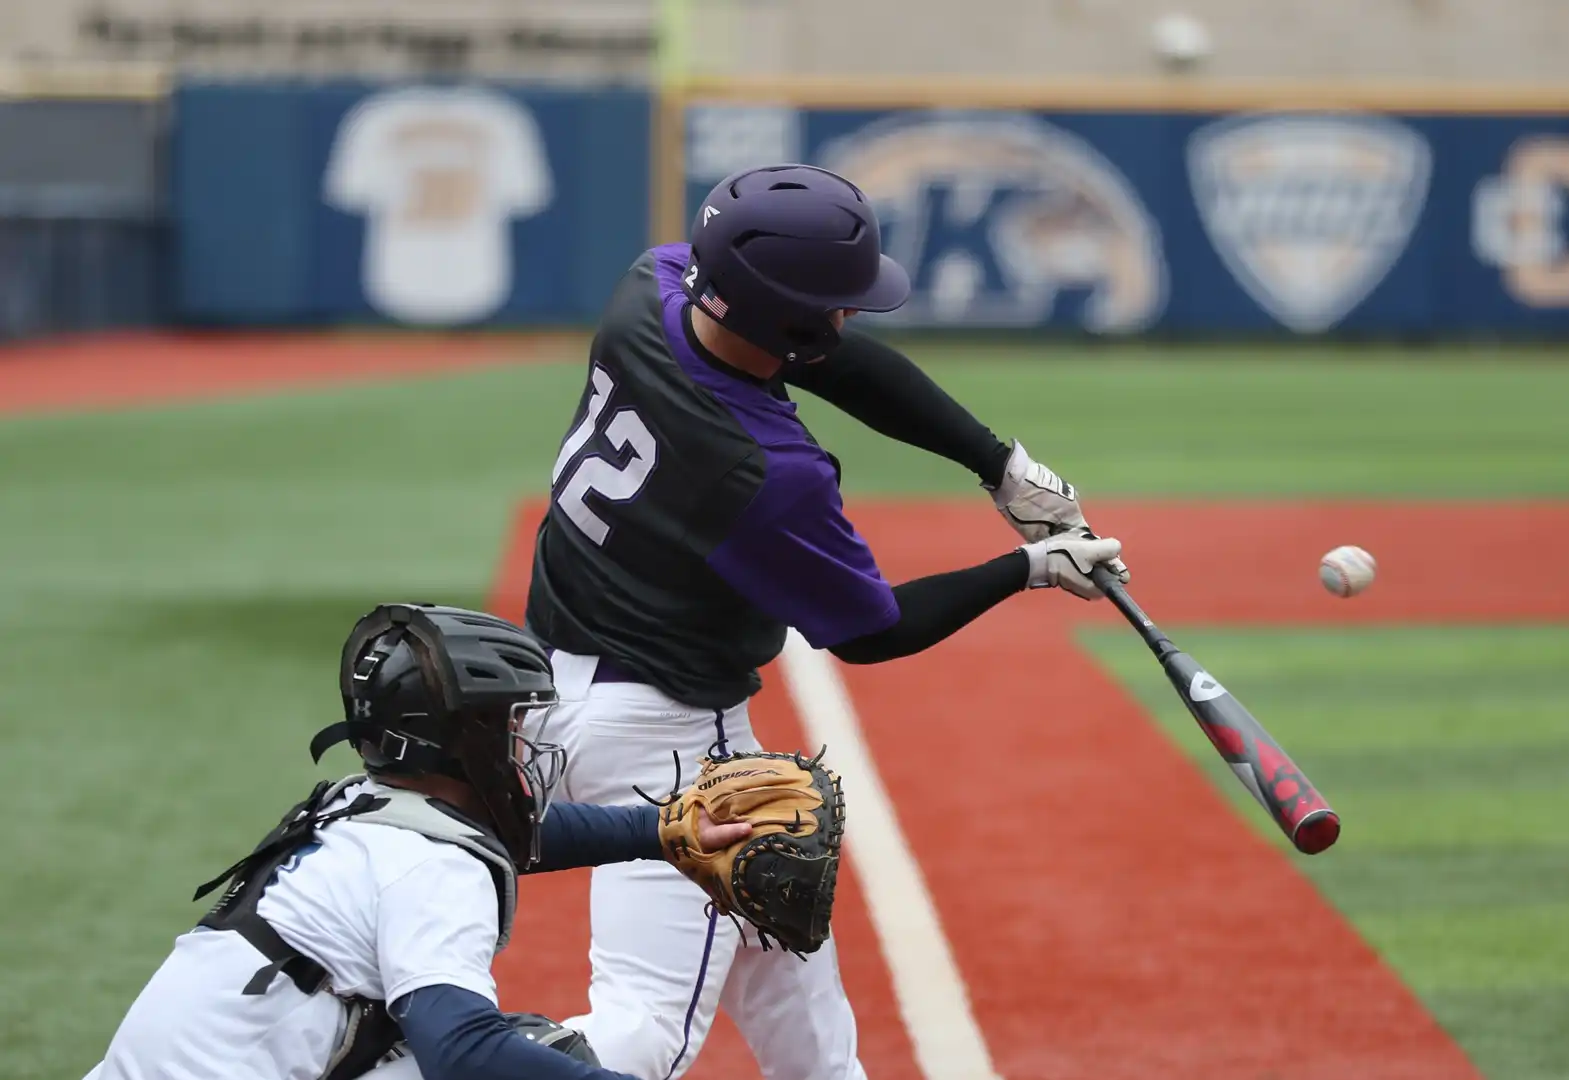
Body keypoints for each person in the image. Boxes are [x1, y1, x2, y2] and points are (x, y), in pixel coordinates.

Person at [527, 162, 1127, 1079]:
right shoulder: (765, 474)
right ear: (789, 320)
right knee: (645, 1030)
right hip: (666, 743)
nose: (851, 316)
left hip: (551, 690)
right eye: (836, 303)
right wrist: (1029, 567)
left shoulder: (650, 287)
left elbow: (823, 352)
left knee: (786, 963)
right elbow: (870, 630)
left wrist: (996, 463)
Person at [83, 603, 755, 1080]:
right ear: (459, 743)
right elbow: (458, 1049)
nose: (518, 742)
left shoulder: (355, 804)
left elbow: (514, 834)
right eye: (505, 724)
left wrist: (665, 829)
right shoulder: (433, 871)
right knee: (533, 1056)